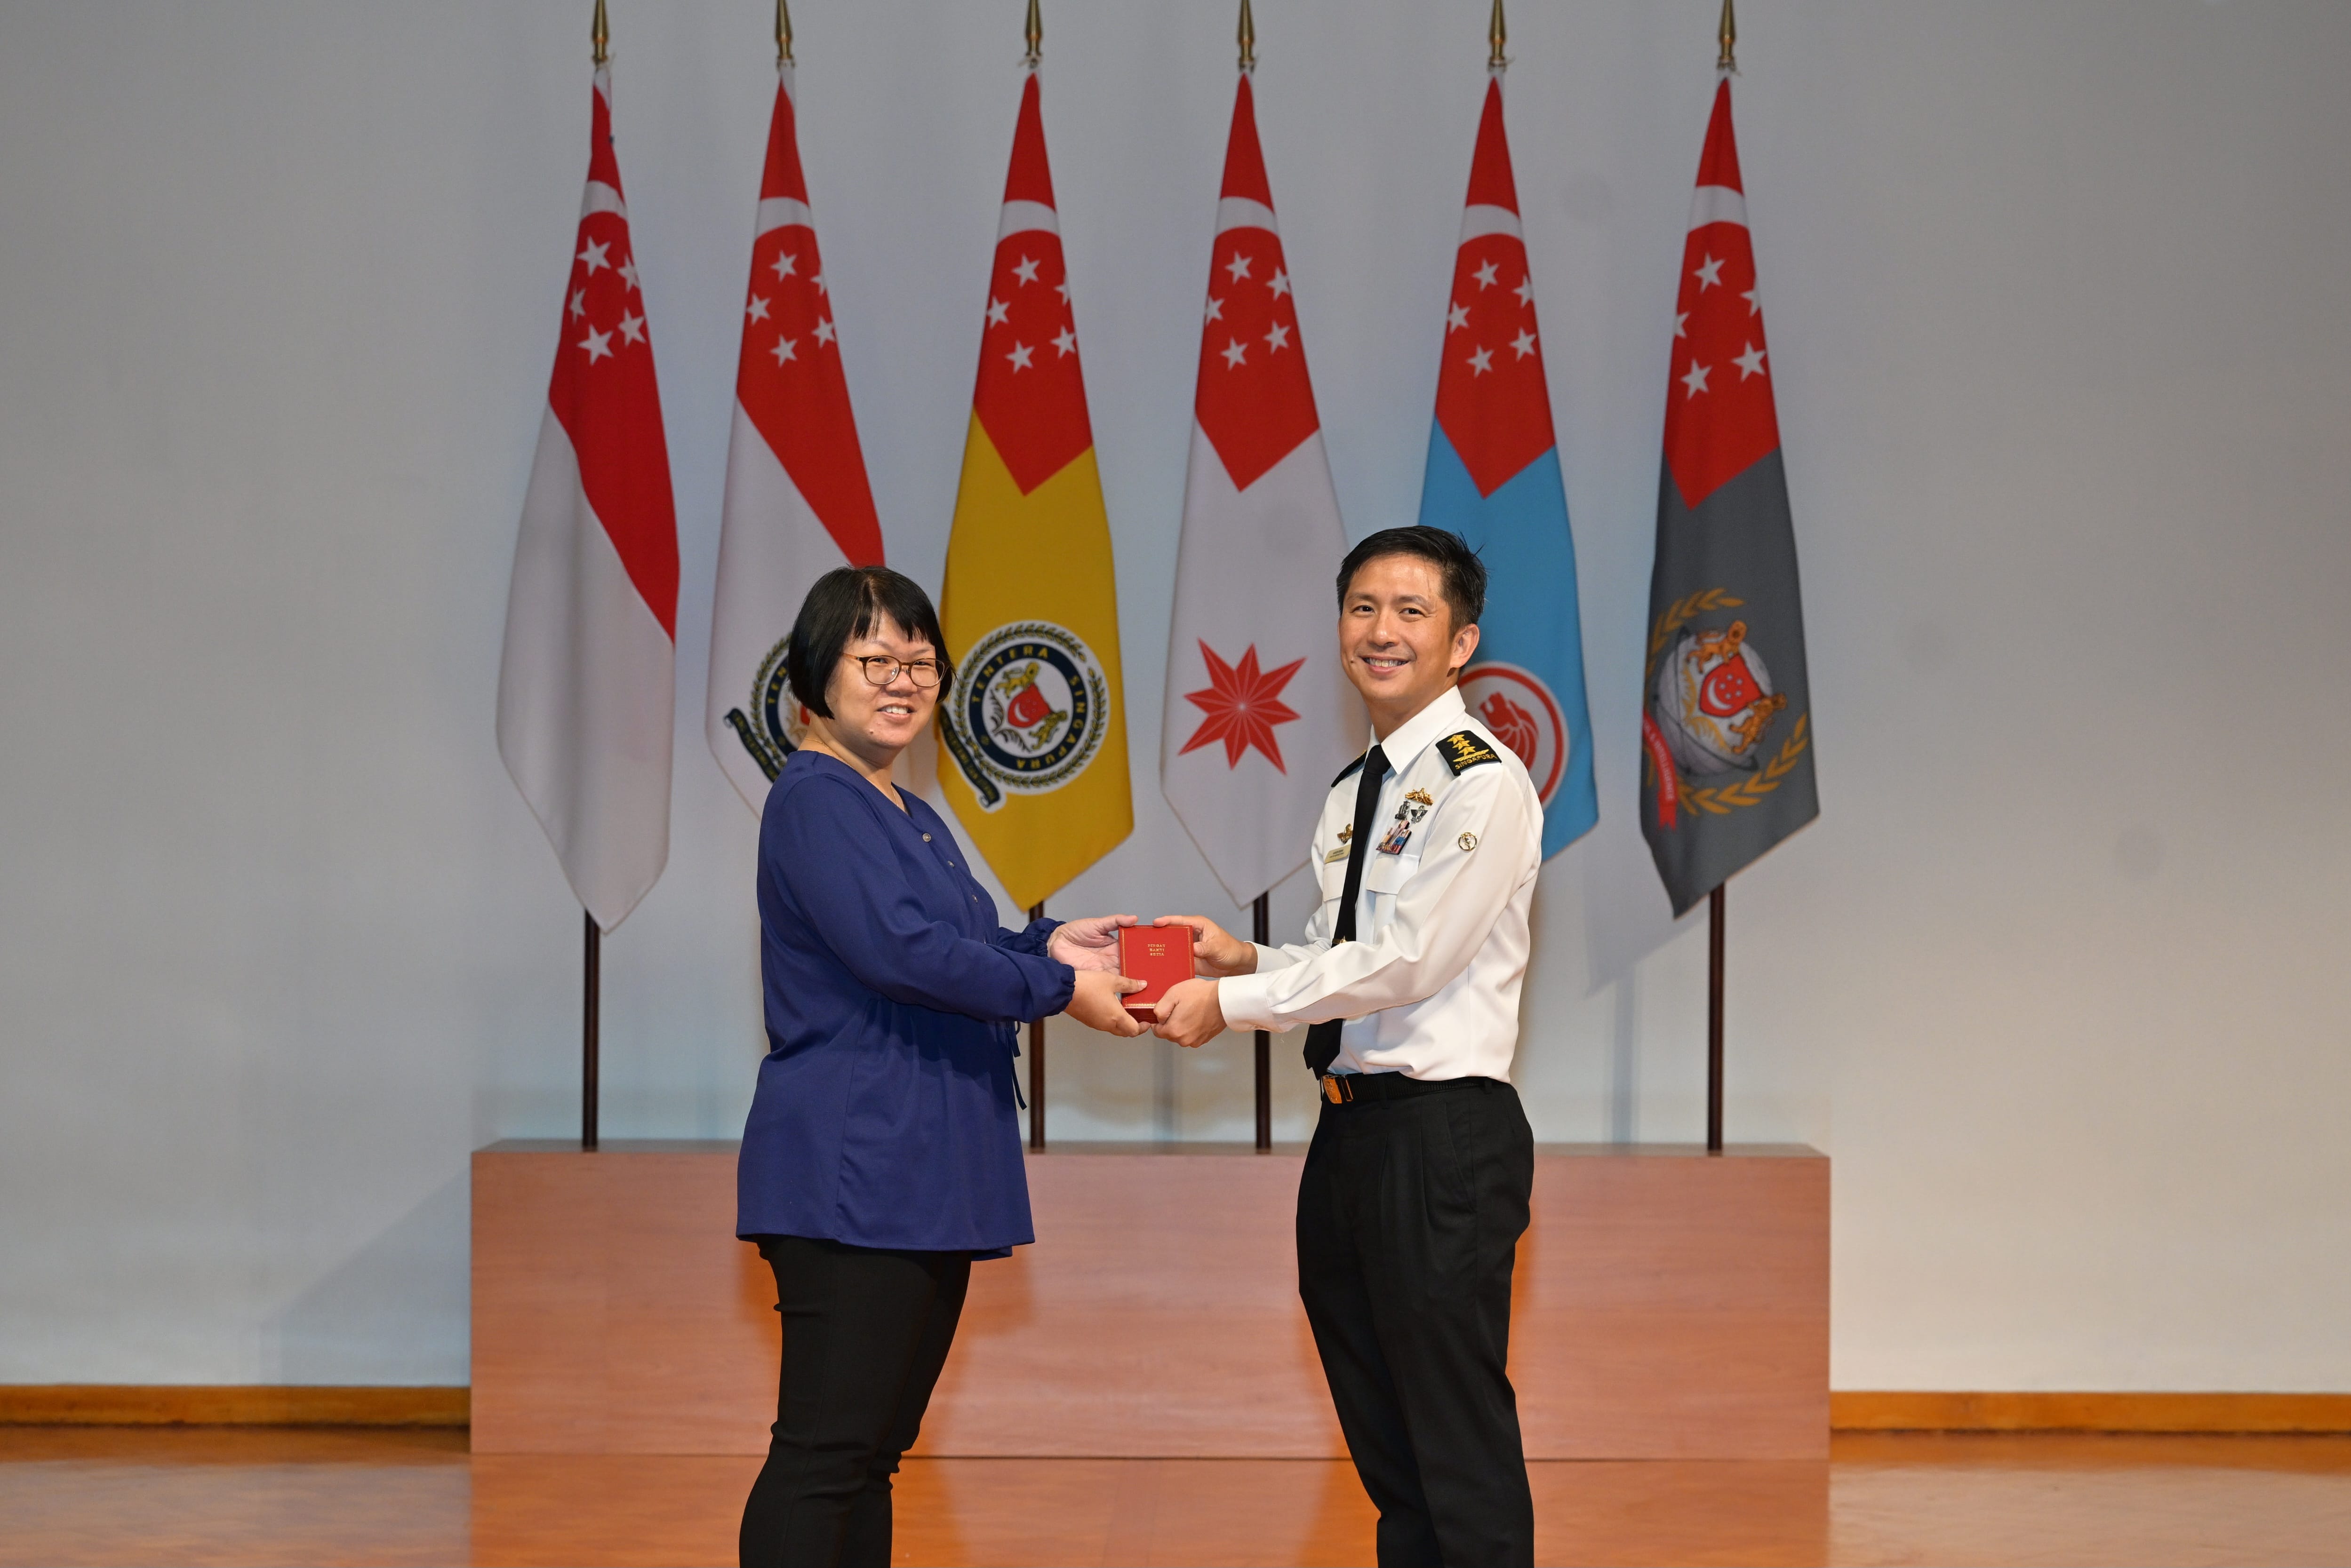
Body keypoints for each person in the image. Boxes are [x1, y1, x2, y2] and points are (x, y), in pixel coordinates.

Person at [735, 565, 1147, 1568]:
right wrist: (1056, 988)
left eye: (919, 660)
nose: (902, 678)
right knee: (826, 1450)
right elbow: (902, 952)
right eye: (874, 658)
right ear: (814, 678)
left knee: (872, 1452)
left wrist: (1047, 945)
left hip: (923, 1162)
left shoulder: (903, 805)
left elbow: (949, 936)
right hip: (858, 1166)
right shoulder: (817, 796)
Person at [1152, 526, 1545, 1568]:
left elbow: (1410, 963)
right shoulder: (1351, 788)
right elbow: (1354, 958)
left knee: (1455, 1446)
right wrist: (1248, 956)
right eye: (1363, 607)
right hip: (1350, 1137)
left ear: (1460, 642)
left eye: (1411, 612)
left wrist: (1232, 999)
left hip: (1441, 1140)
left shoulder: (1480, 780)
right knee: (1388, 1448)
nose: (1381, 631)